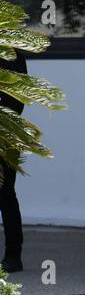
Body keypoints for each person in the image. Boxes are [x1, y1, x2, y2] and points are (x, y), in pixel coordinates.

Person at [0, 48, 28, 275]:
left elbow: (18, 98)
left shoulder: (12, 52)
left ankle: (13, 255)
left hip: (6, 134)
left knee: (5, 193)